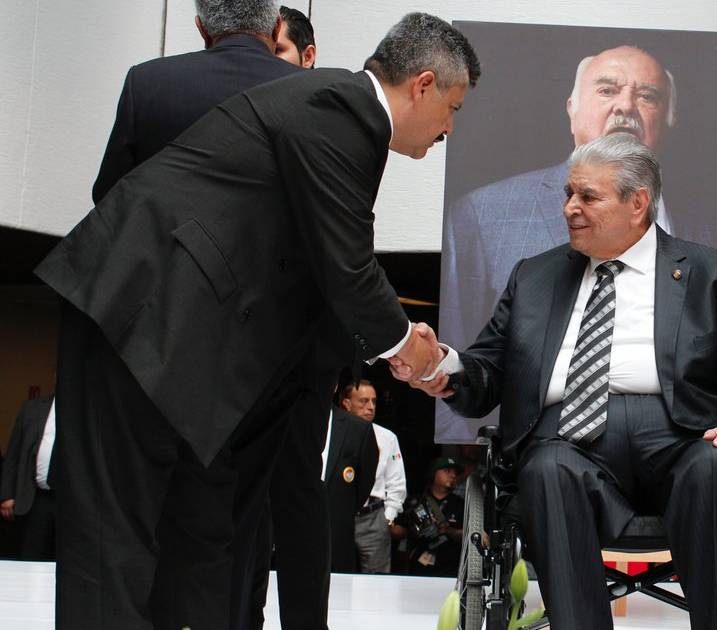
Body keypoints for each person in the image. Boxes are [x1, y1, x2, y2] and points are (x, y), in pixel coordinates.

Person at [36, 13, 479, 629]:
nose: (449, 128)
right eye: (452, 108)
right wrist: (414, 351)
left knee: (191, 530)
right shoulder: (342, 110)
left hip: (182, 340)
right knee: (113, 532)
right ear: (423, 84)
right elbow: (347, 268)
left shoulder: (342, 113)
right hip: (132, 310)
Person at [407, 133, 717, 629]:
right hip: (567, 443)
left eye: (588, 196)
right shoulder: (534, 277)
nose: (570, 207)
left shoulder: (712, 275)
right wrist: (442, 366)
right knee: (545, 469)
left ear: (637, 203)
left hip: (684, 441)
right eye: (569, 193)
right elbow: (487, 371)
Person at [438, 45, 717, 440]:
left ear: (670, 119)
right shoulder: (483, 216)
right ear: (572, 108)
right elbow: (479, 366)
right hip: (550, 443)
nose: (625, 107)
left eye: (647, 96)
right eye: (607, 90)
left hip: (678, 443)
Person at [92, 0, 301, 204]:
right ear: (277, 27)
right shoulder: (305, 89)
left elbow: (108, 196)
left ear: (202, 29)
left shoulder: (146, 81)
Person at [338, 379, 407, 573]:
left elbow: (396, 482)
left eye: (374, 401)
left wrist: (388, 517)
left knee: (377, 579)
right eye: (363, 401)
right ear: (346, 403)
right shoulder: (330, 433)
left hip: (373, 515)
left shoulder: (387, 437)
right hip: (338, 513)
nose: (371, 407)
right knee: (335, 573)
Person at [323, 404, 379, 573]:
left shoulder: (358, 429)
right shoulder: (289, 419)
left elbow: (364, 481)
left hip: (337, 530)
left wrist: (343, 510)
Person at [0, 396, 56, 560]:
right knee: (32, 554)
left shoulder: (88, 409)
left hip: (72, 502)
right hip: (35, 497)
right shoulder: (32, 408)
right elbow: (13, 452)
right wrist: (7, 495)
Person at [397, 457, 464, 577]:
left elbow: (469, 534)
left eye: (455, 473)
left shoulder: (461, 504)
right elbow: (398, 531)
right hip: (418, 569)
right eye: (447, 471)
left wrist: (447, 530)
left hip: (450, 570)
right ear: (433, 474)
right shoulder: (415, 502)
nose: (453, 475)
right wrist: (414, 529)